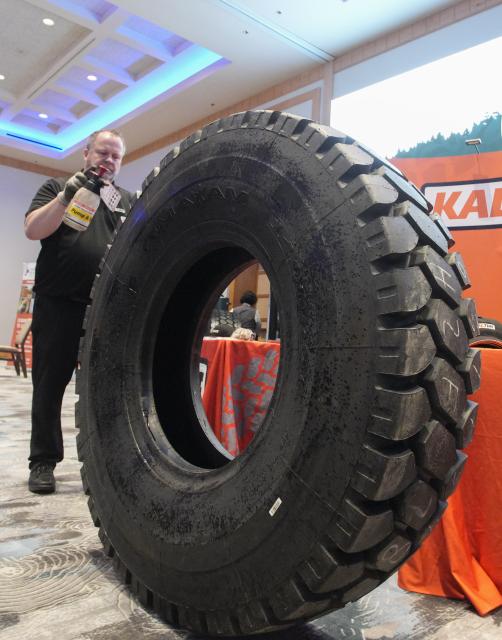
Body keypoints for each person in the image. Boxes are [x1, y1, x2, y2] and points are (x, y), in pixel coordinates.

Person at [24, 129, 133, 494]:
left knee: (107, 390)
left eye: (115, 156)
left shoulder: (125, 201)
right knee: (49, 386)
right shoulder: (56, 187)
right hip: (58, 306)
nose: (109, 161)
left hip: (105, 312)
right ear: (86, 153)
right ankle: (43, 461)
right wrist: (67, 197)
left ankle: (107, 463)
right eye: (103, 152)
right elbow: (33, 230)